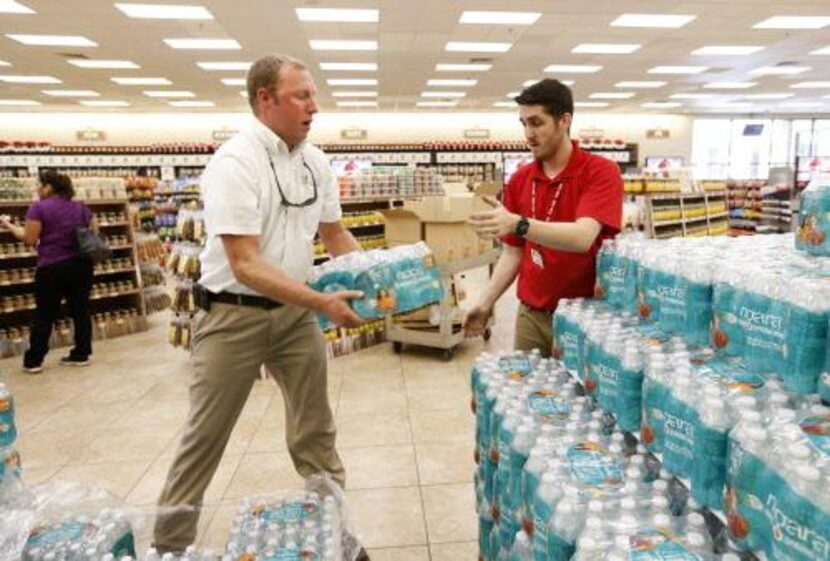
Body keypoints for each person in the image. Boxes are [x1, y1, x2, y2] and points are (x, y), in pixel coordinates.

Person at [152, 54, 369, 560]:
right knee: (205, 436)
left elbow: (335, 234)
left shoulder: (315, 161)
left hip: (294, 317)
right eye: (301, 95)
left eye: (314, 95)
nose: (314, 106)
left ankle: (334, 531)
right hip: (233, 314)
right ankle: (168, 546)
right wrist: (321, 301)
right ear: (264, 100)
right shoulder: (235, 161)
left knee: (316, 430)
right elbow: (244, 263)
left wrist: (378, 277)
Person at [464, 79, 623, 357]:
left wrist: (519, 223)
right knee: (528, 393)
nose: (528, 133)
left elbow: (582, 237)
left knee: (580, 398)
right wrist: (485, 302)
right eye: (523, 124)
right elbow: (513, 253)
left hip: (585, 317)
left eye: (536, 123)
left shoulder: (600, 172)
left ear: (564, 120)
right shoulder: (520, 179)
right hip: (532, 315)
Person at [0, 170, 95, 373]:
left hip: (53, 267)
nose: (37, 188)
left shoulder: (38, 208)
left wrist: (9, 226)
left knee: (45, 313)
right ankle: (82, 353)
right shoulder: (81, 208)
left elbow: (29, 239)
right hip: (82, 266)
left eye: (39, 184)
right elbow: (94, 234)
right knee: (81, 311)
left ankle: (34, 361)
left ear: (49, 187)